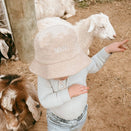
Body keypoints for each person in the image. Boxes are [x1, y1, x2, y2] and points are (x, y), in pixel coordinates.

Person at [29, 25, 128, 131]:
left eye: (65, 68)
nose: (61, 74)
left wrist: (107, 50)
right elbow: (45, 101)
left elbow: (94, 64)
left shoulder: (80, 65)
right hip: (58, 123)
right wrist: (68, 93)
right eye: (55, 70)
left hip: (80, 117)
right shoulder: (44, 76)